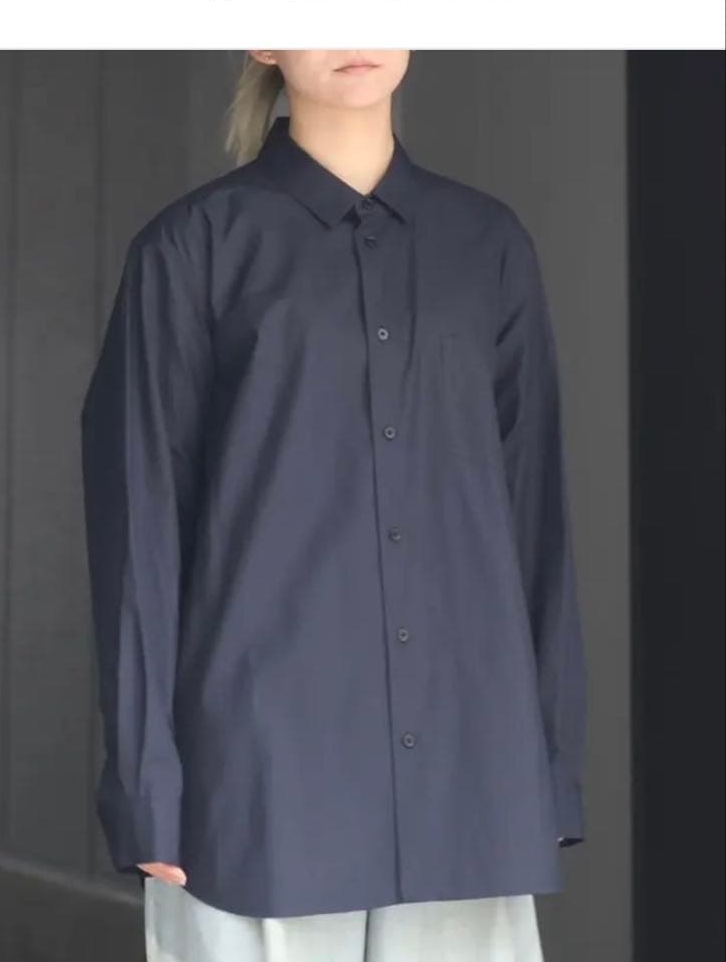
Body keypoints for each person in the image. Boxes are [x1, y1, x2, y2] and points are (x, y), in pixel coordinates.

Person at [80, 49, 587, 961]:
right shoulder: (193, 247)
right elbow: (138, 528)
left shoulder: (489, 246)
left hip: (468, 771)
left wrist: (544, 763)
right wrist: (148, 785)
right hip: (259, 779)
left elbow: (533, 518)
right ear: (262, 37)